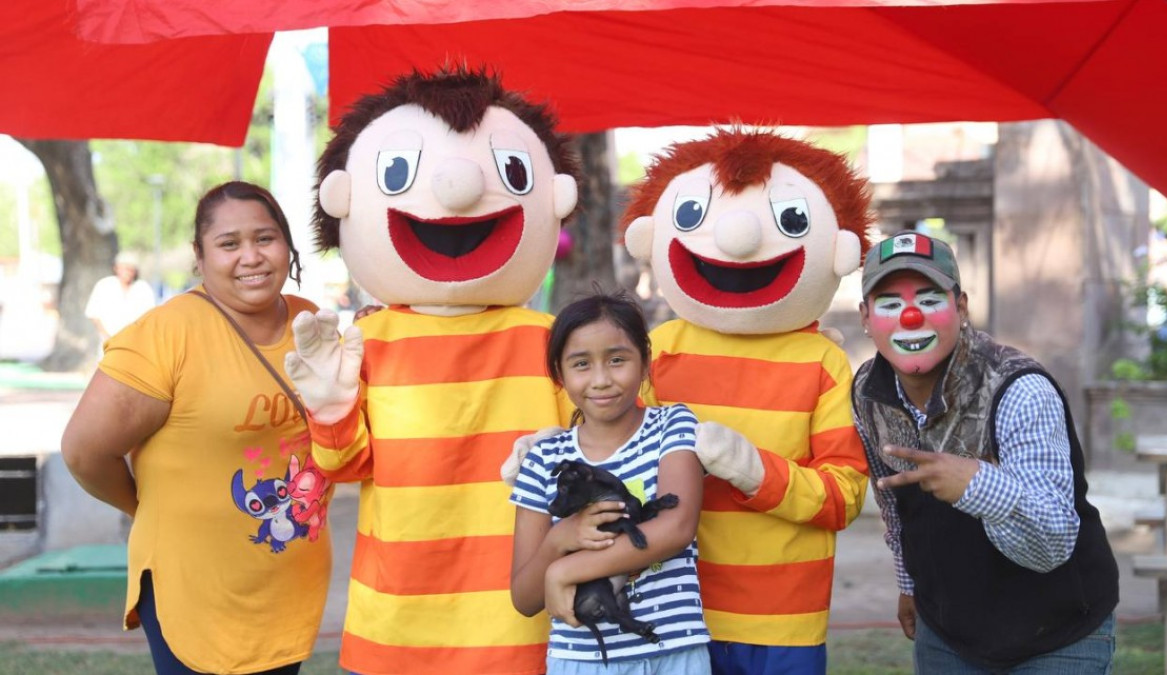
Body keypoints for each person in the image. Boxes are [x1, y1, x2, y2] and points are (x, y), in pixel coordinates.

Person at [282, 65, 579, 675]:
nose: (458, 186)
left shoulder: (553, 343)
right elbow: (344, 467)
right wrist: (331, 411)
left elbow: (608, 461)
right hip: (398, 618)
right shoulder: (367, 338)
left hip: (521, 623)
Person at [618, 128, 872, 674]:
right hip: (674, 609)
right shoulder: (655, 352)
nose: (735, 239)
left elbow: (843, 498)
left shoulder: (823, 363)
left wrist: (754, 471)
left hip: (783, 618)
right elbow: (619, 463)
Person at [60, 181, 333, 675]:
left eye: (265, 238)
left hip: (287, 582)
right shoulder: (167, 334)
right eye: (229, 244)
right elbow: (83, 451)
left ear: (287, 246)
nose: (251, 256)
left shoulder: (310, 323)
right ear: (200, 256)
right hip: (194, 591)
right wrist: (141, 507)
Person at [852, 231, 1119, 673]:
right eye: (890, 304)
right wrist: (908, 582)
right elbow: (893, 504)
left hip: (1058, 632)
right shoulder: (868, 391)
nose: (911, 316)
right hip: (949, 632)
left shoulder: (1019, 389)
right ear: (865, 317)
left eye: (928, 298)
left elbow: (1052, 542)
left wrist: (976, 486)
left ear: (960, 307)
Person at [509, 290, 710, 675]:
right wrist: (559, 539)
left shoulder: (673, 425)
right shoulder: (543, 459)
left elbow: (677, 527)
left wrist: (564, 571)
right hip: (582, 662)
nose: (601, 380)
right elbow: (524, 597)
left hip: (675, 653)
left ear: (645, 362)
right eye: (581, 364)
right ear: (559, 375)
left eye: (617, 360)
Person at [85, 250, 157, 342]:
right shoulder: (104, 285)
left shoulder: (143, 288)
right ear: (116, 268)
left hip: (136, 342)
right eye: (123, 268)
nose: (127, 272)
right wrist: (106, 336)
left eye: (130, 269)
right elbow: (93, 314)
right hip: (108, 343)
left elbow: (150, 317)